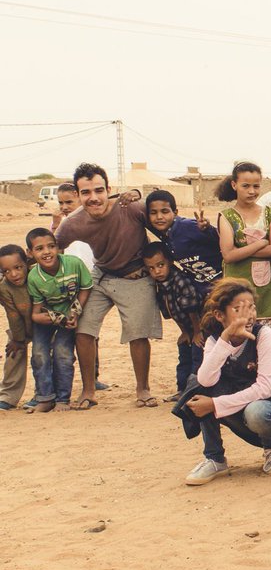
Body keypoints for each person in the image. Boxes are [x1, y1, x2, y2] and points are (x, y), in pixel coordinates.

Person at [175, 278, 271, 484]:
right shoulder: (214, 340)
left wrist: (214, 405)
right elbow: (205, 379)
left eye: (252, 308)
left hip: (270, 408)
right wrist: (226, 338)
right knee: (198, 388)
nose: (248, 315)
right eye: (238, 309)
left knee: (257, 411)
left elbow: (265, 389)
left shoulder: (264, 335)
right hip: (235, 405)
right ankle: (214, 458)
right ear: (220, 315)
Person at [55, 163, 160, 409]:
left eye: (98, 190)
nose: (93, 198)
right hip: (101, 276)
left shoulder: (130, 208)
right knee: (83, 329)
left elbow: (162, 218)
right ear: (78, 195)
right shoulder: (72, 222)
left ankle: (142, 389)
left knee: (137, 332)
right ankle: (89, 390)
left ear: (108, 189)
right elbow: (51, 249)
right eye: (86, 193)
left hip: (136, 275)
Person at [144, 191, 222, 400]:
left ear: (175, 212)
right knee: (198, 343)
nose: (159, 217)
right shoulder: (166, 235)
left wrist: (208, 230)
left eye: (165, 211)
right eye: (154, 213)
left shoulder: (187, 227)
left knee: (204, 341)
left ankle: (197, 390)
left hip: (217, 286)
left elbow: (219, 240)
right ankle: (188, 389)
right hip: (201, 290)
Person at [215, 161, 271, 357]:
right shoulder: (227, 216)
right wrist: (258, 244)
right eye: (246, 185)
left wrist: (242, 249)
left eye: (256, 186)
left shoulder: (270, 214)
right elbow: (228, 256)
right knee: (240, 351)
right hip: (236, 290)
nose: (252, 191)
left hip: (268, 292)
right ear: (234, 185)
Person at [25, 228, 91, 412]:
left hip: (69, 317)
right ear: (30, 253)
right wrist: (47, 318)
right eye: (39, 249)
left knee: (63, 353)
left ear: (58, 247)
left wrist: (75, 312)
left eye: (51, 246)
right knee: (39, 354)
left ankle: (62, 398)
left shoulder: (74, 264)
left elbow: (86, 288)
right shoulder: (33, 277)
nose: (46, 252)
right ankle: (45, 398)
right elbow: (36, 312)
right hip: (47, 319)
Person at [142, 242, 204, 394]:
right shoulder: (160, 285)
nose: (157, 271)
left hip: (200, 327)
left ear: (169, 261)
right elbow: (171, 310)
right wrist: (184, 332)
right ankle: (182, 390)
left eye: (160, 265)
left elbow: (192, 308)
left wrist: (196, 332)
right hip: (187, 328)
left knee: (198, 359)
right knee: (184, 358)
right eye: (151, 268)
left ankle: (194, 392)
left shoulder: (180, 280)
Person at [0, 245, 32, 410]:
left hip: (48, 326)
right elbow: (13, 315)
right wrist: (18, 339)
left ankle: (45, 393)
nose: (13, 274)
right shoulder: (5, 287)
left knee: (44, 358)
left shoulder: (37, 275)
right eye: (6, 271)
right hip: (21, 326)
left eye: (18, 267)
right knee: (13, 354)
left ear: (26, 263)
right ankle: (8, 396)